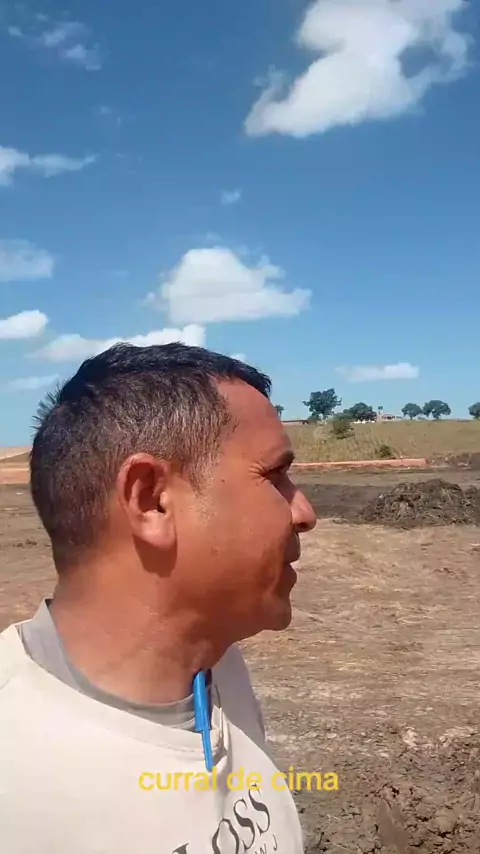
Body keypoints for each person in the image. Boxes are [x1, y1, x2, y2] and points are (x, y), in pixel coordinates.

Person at [0, 342, 317, 853]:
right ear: (151, 500)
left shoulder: (216, 665)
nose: (304, 513)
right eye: (275, 475)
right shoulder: (14, 776)